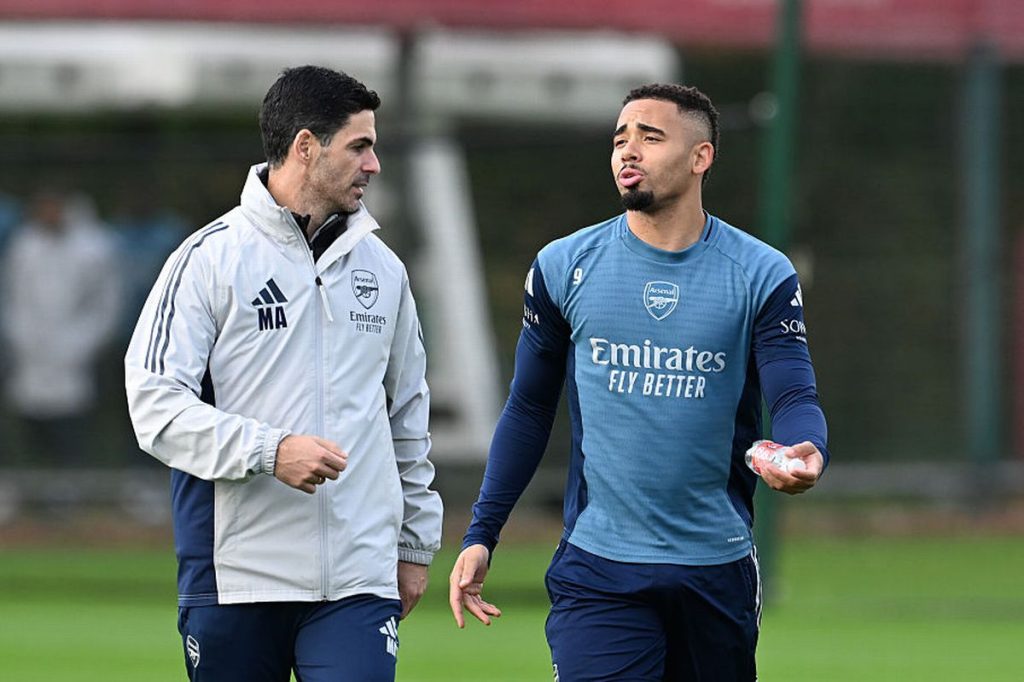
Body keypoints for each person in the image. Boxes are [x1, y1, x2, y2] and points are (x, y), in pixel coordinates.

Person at [449, 83, 829, 681]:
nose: (629, 151)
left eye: (651, 138)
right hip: (598, 566)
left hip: (716, 566)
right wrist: (482, 532)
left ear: (700, 157)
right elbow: (527, 409)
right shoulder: (562, 267)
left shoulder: (761, 272)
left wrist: (807, 448)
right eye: (620, 138)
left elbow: (794, 394)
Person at [125, 65, 442, 682]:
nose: (373, 164)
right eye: (359, 146)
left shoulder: (385, 270)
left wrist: (412, 544)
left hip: (356, 579)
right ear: (305, 147)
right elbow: (155, 407)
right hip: (236, 578)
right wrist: (272, 451)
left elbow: (407, 414)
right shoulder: (206, 260)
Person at [1, 188, 121, 466]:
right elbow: (13, 297)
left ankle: (75, 483)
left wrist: (86, 341)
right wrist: (21, 338)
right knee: (31, 418)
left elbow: (106, 302)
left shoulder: (93, 248)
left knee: (75, 422)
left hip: (79, 349)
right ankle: (34, 481)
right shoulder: (24, 246)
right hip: (31, 349)